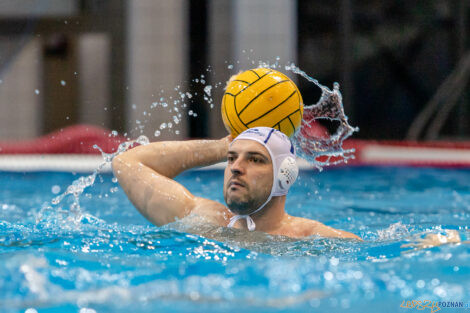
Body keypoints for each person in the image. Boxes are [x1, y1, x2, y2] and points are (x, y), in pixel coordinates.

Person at [112, 126, 361, 240]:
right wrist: (218, 148)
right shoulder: (199, 219)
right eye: (231, 158)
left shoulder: (314, 239)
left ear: (284, 175)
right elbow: (126, 163)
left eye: (255, 159)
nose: (236, 167)